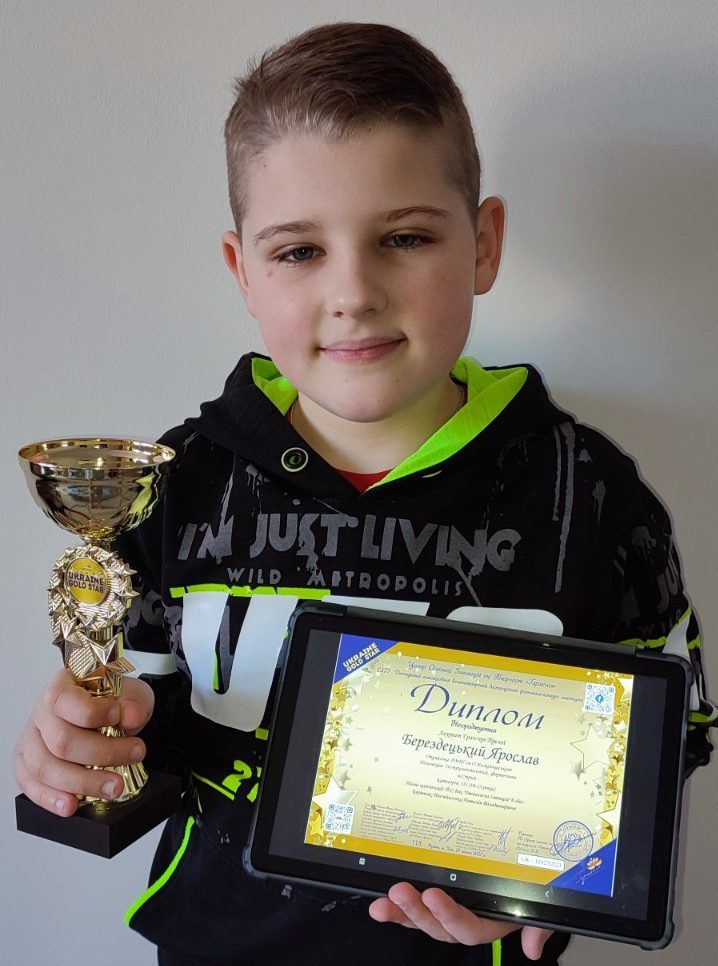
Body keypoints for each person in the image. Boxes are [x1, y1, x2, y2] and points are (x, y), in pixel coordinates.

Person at [13, 21, 715, 966]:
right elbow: (149, 729)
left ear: (483, 245)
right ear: (243, 272)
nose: (354, 291)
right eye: (299, 251)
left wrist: (554, 884)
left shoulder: (589, 495)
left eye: (404, 237)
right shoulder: (176, 486)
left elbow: (678, 730)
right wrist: (82, 746)